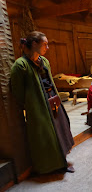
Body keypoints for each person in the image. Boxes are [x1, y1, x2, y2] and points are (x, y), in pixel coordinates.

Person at [10, 31, 74, 174]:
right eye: (45, 44)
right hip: (38, 105)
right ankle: (49, 167)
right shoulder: (20, 66)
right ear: (34, 44)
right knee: (46, 136)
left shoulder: (44, 62)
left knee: (60, 130)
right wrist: (32, 104)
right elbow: (18, 92)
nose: (47, 47)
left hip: (53, 101)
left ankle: (62, 161)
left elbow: (49, 80)